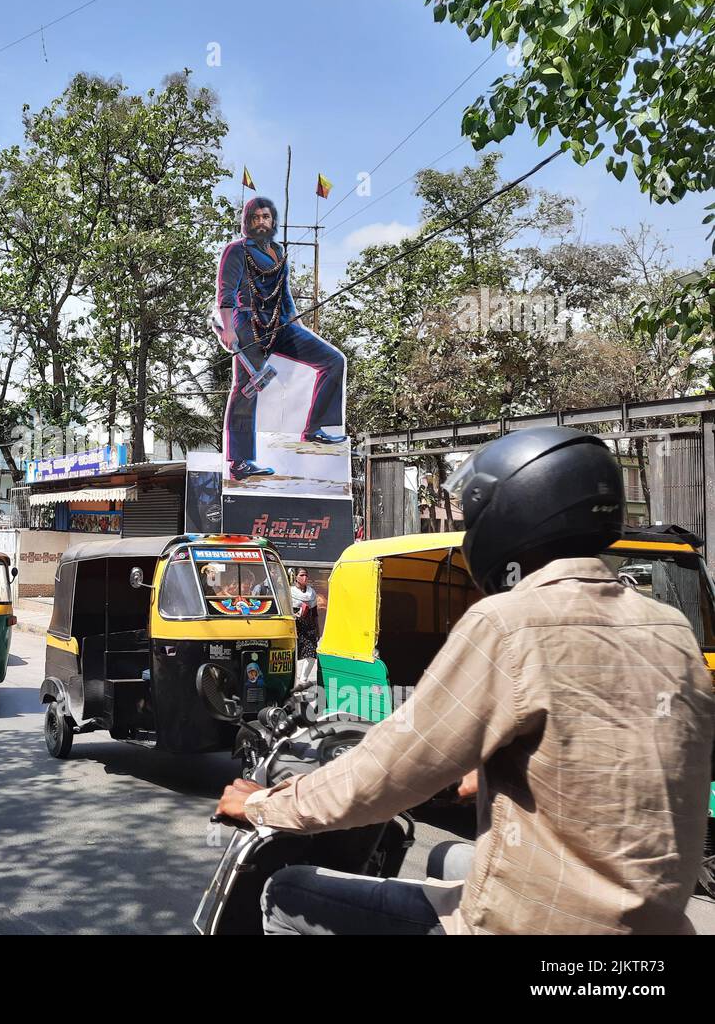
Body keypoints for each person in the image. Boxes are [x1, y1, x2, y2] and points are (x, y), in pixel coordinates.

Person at [215, 427, 715, 935]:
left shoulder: (507, 621)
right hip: (654, 923)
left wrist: (263, 805)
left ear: (510, 514)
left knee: (286, 891)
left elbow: (386, 773)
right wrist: (495, 773)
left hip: (538, 926)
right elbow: (625, 748)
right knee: (449, 857)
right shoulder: (670, 629)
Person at [213, 196, 347, 481]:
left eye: (266, 217)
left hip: (280, 324)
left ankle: (314, 429)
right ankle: (239, 462)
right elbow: (226, 293)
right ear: (247, 222)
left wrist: (295, 322)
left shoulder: (277, 251)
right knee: (246, 388)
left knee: (333, 360)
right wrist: (228, 328)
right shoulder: (235, 251)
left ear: (273, 221)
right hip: (248, 324)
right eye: (255, 217)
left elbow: (284, 293)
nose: (261, 221)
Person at [290, 568, 319, 686]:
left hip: (309, 626)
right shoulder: (290, 592)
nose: (305, 578)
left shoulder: (311, 593)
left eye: (306, 575)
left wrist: (317, 628)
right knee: (293, 653)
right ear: (296, 577)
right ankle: (292, 679)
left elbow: (315, 613)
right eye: (302, 575)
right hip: (294, 626)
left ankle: (303, 679)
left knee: (311, 652)